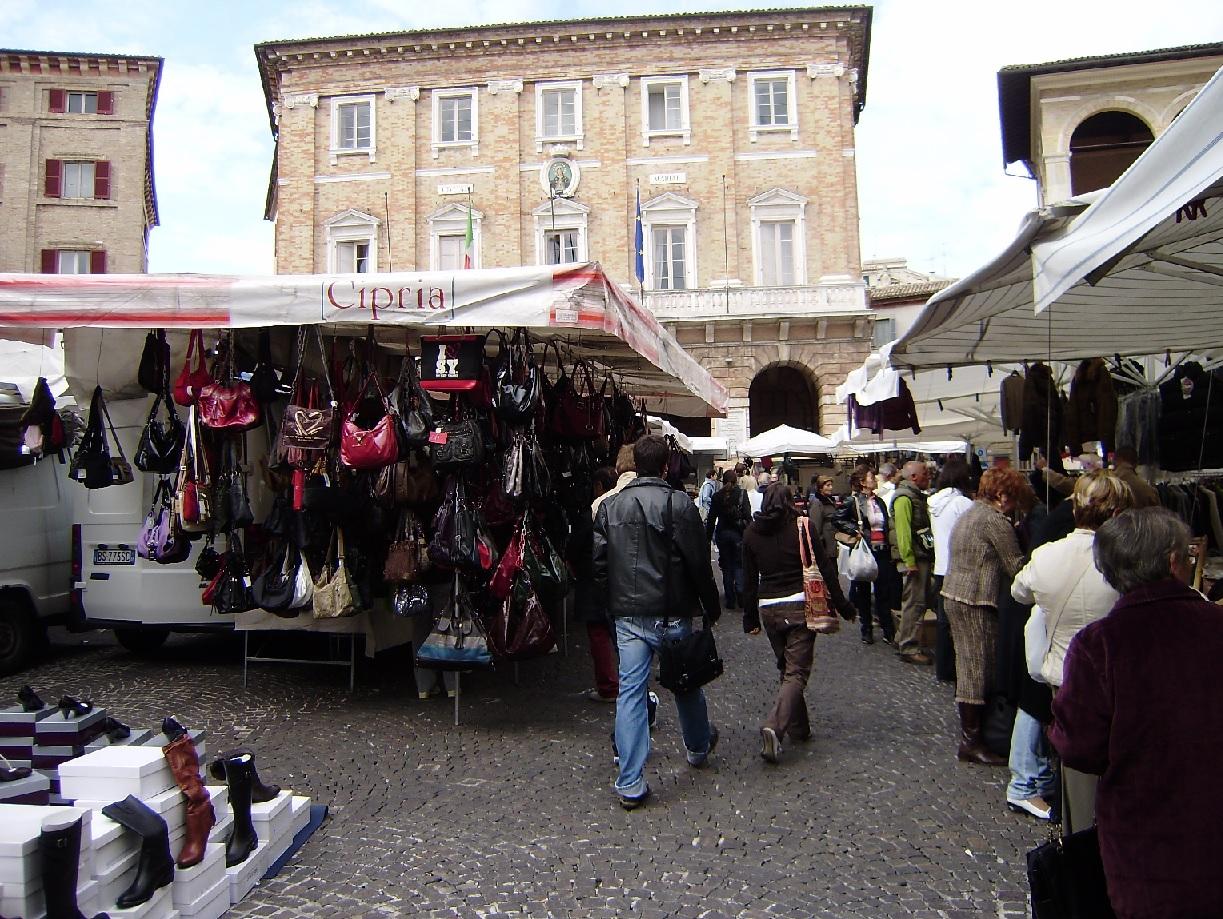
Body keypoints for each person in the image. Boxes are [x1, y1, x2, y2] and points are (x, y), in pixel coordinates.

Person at [1050, 508, 1223, 917]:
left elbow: (1079, 749)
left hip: (1146, 843)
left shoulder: (1100, 644)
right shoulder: (1216, 625)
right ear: (1172, 562)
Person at [593, 435, 721, 810]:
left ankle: (630, 782)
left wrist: (612, 603)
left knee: (631, 694)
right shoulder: (679, 504)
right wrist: (710, 608)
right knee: (685, 683)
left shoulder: (610, 507)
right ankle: (697, 746)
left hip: (629, 617)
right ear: (666, 466)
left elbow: (600, 566)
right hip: (670, 612)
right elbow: (699, 564)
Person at [1010, 471, 1132, 826]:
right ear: (1116, 512)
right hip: (1112, 680)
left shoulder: (1048, 555)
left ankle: (1077, 841)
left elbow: (1020, 592)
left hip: (1061, 678)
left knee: (1074, 773)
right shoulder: (1123, 560)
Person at [742, 484, 857, 763]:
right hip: (799, 605)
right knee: (796, 672)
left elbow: (748, 579)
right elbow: (826, 569)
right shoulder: (802, 527)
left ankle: (799, 727)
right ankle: (775, 726)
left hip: (769, 608)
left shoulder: (751, 533)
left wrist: (750, 619)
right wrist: (843, 604)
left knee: (788, 668)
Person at [940, 467, 1030, 765]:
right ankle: (971, 741)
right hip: (974, 599)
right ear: (1003, 495)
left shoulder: (970, 513)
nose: (1015, 504)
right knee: (976, 669)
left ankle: (973, 736)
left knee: (970, 665)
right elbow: (1015, 564)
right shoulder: (994, 521)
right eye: (1013, 498)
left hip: (957, 594)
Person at [571, 466, 621, 703]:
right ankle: (626, 683)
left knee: (599, 634)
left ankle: (609, 686)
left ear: (599, 486)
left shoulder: (591, 512)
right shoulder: (624, 507)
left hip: (594, 582)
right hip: (621, 581)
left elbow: (576, 546)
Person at [834, 465, 894, 645]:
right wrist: (854, 530)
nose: (875, 479)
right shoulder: (853, 501)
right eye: (871, 477)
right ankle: (866, 627)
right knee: (863, 592)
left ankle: (887, 628)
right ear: (862, 482)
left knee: (883, 591)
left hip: (881, 550)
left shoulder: (879, 501)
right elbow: (837, 519)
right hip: (864, 549)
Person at [928, 457, 974, 681]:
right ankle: (955, 667)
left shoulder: (935, 501)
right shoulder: (962, 504)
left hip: (940, 566)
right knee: (958, 622)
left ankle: (943, 667)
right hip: (958, 567)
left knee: (943, 620)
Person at [890, 461, 934, 665]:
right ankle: (909, 646)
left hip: (916, 556)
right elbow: (903, 532)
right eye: (925, 473)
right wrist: (909, 561)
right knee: (915, 603)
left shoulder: (910, 495)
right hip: (914, 558)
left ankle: (902, 639)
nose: (929, 476)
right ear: (914, 477)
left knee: (913, 601)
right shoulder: (904, 498)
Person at [705, 470, 751, 610]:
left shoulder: (717, 496)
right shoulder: (742, 494)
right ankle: (741, 593)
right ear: (736, 480)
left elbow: (711, 519)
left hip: (722, 534)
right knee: (739, 564)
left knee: (726, 567)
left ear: (723, 481)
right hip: (738, 534)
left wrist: (707, 538)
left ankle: (730, 599)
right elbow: (748, 517)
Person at [806, 475, 839, 560]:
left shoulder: (829, 500)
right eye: (828, 485)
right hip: (825, 543)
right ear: (820, 487)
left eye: (831, 485)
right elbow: (816, 526)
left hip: (832, 539)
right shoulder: (817, 503)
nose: (831, 488)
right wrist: (820, 544)